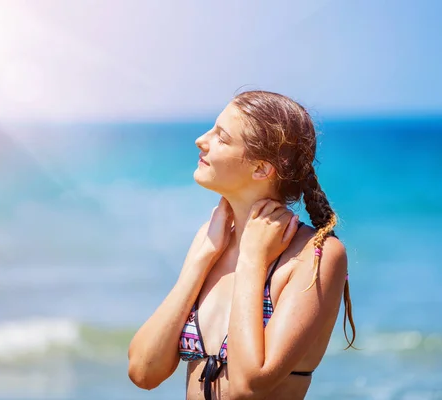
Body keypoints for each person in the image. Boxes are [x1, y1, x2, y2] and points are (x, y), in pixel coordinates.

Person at [128, 90, 356, 400]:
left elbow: (249, 385)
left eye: (221, 138)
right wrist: (201, 259)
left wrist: (252, 258)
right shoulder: (211, 241)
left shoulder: (317, 255)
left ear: (261, 168)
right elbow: (143, 371)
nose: (201, 140)